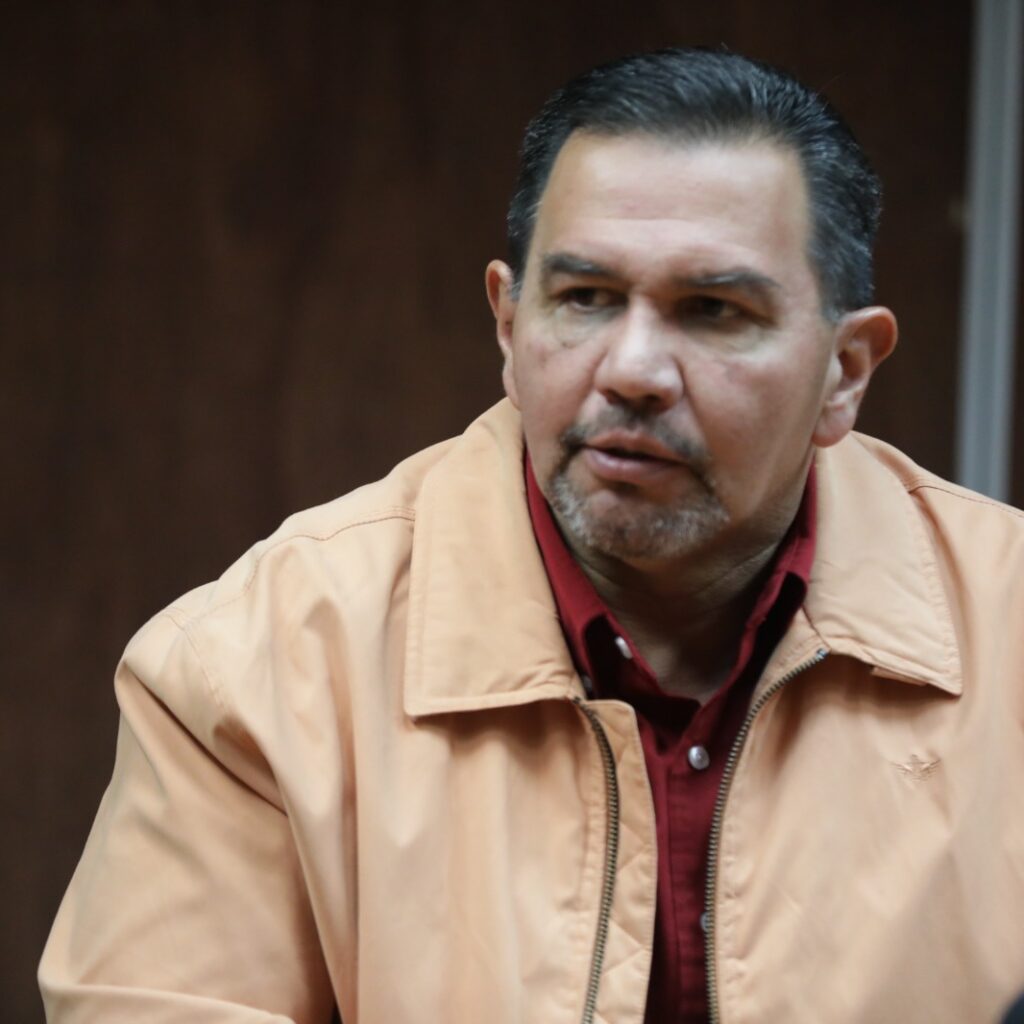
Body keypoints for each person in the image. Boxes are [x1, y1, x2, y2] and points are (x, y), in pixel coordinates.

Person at [40, 48, 1024, 1024]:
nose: (632, 369)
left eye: (712, 310)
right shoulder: (256, 668)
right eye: (585, 298)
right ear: (510, 328)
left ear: (845, 371)